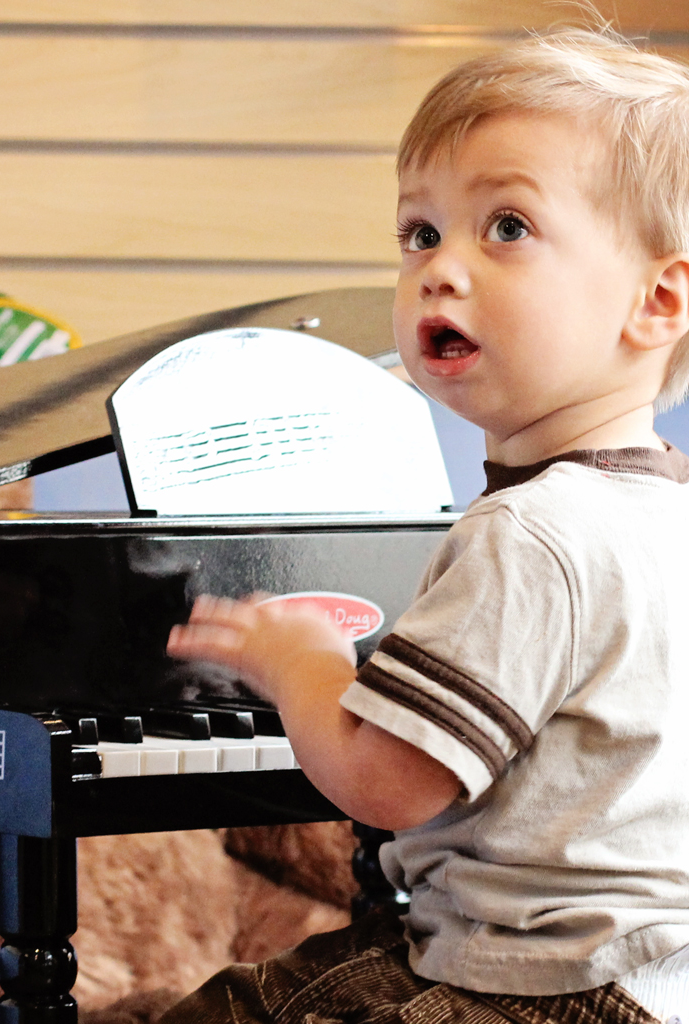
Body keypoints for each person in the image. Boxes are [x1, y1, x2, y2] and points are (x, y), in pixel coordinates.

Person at [163, 24, 689, 1024]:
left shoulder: (530, 532)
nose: (441, 270)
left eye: (507, 227)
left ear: (656, 299)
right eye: (420, 233)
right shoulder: (665, 511)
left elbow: (390, 783)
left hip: (533, 988)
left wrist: (302, 665)